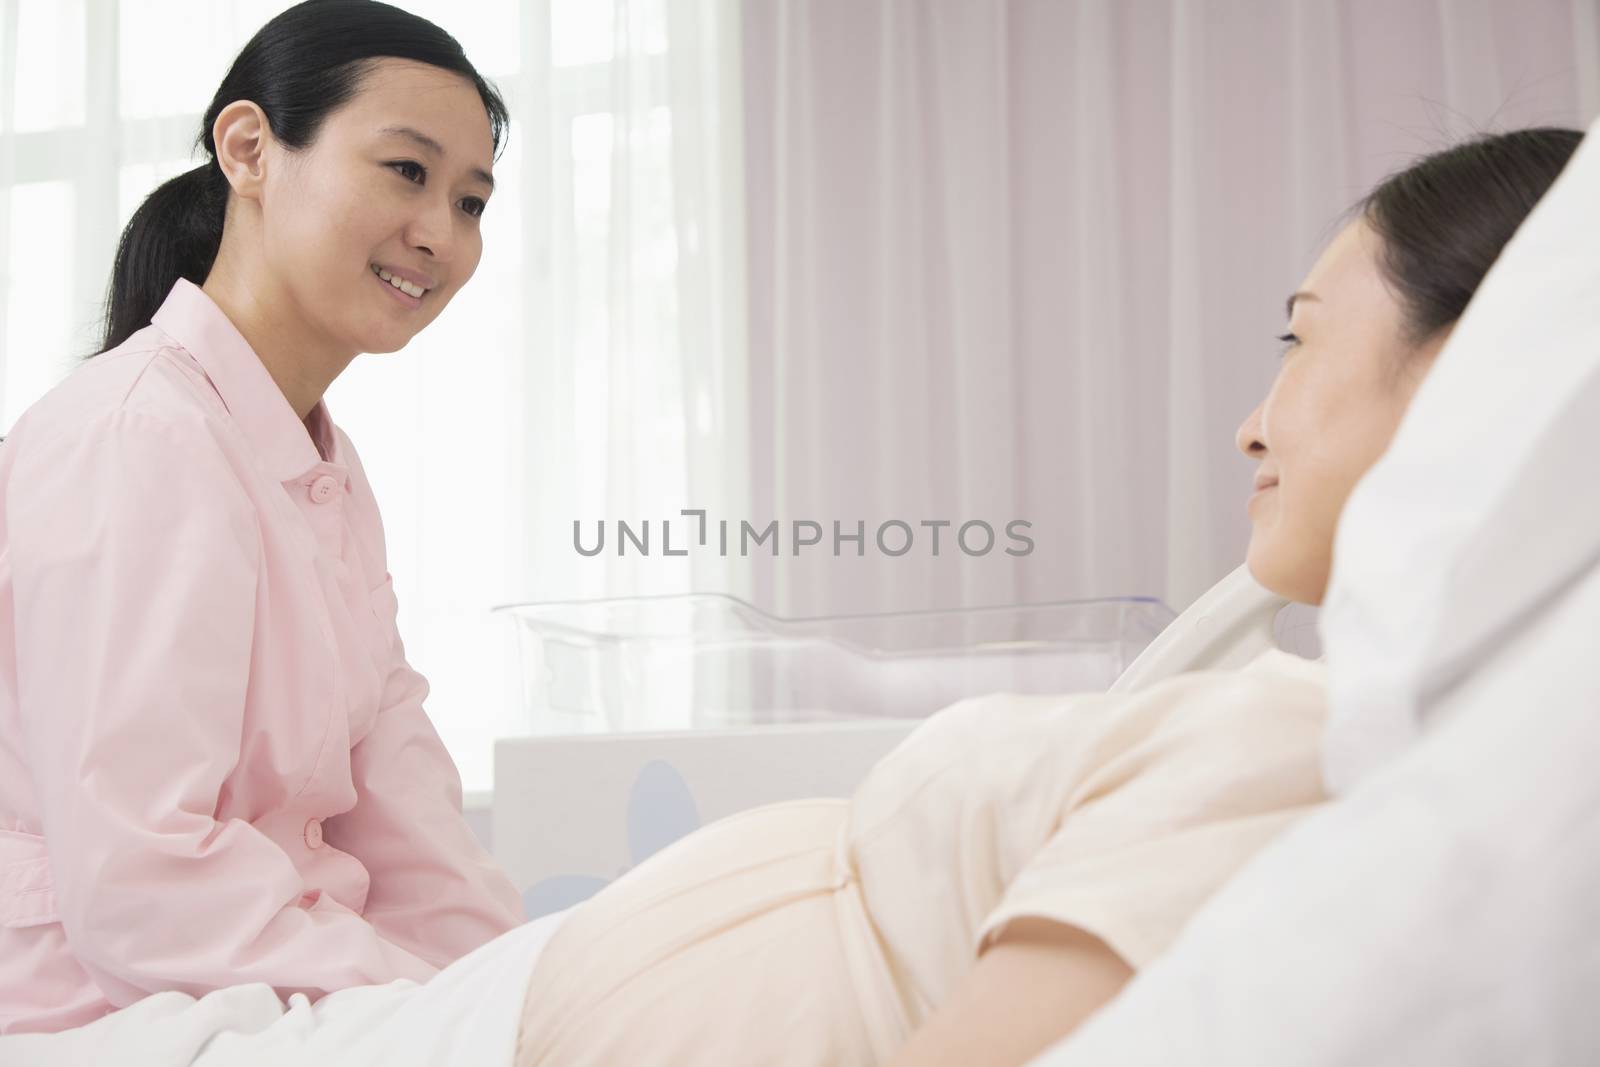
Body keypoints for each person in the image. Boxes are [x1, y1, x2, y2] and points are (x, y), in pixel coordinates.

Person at [508, 125, 1584, 1067]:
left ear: (1477, 369)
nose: (1250, 425)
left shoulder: (1303, 746)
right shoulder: (1296, 721)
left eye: (1298, 340)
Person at [0, 0, 525, 1036]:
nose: (441, 233)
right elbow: (141, 881)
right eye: (407, 171)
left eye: (471, 201)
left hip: (270, 989)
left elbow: (404, 807)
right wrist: (427, 1004)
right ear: (248, 148)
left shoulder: (315, 459)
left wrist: (516, 985)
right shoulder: (140, 437)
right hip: (104, 1012)